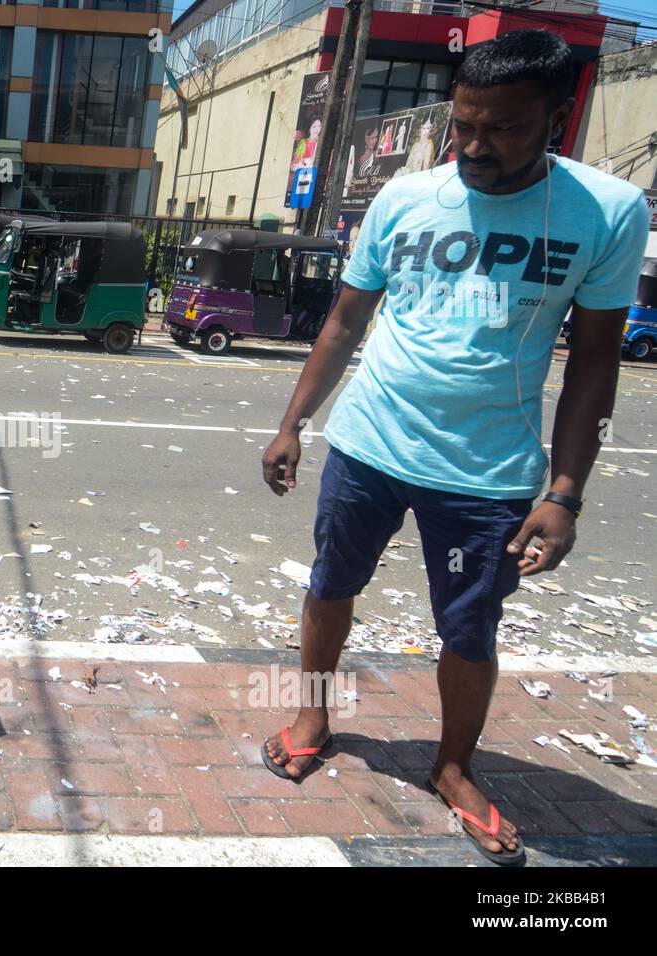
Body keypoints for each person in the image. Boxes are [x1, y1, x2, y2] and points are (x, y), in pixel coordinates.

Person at [258, 29, 647, 865]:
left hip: (487, 471)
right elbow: (345, 321)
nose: (474, 147)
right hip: (368, 444)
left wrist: (565, 492)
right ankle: (313, 714)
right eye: (463, 125)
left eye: (502, 128)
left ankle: (454, 766)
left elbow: (594, 365)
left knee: (469, 628)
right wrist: (293, 424)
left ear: (556, 118)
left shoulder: (608, 212)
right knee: (330, 586)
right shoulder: (405, 199)